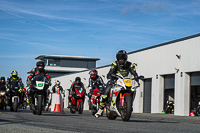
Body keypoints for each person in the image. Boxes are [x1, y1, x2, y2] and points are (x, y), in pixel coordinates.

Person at [95, 50, 139, 118]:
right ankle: (100, 109)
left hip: (127, 81)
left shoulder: (131, 65)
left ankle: (128, 104)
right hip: (116, 80)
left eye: (122, 58)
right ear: (117, 59)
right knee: (106, 93)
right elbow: (111, 72)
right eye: (119, 58)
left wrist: (137, 78)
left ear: (125, 58)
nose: (121, 60)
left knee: (133, 89)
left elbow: (134, 73)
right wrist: (110, 76)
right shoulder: (115, 64)